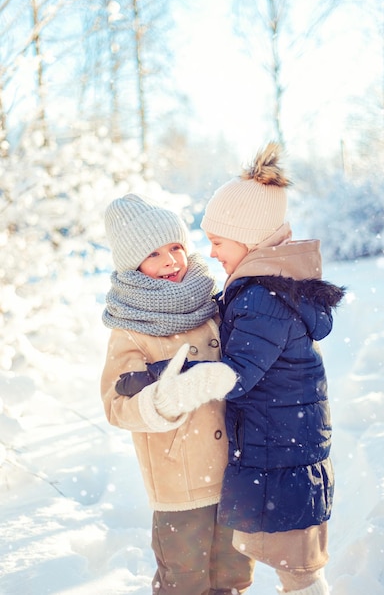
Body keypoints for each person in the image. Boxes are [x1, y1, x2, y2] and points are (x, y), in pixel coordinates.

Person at [198, 142, 346, 595]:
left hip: (281, 457)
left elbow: (236, 376)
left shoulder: (262, 298)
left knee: (299, 574)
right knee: (296, 566)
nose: (212, 252)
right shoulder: (267, 289)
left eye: (218, 241)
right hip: (285, 451)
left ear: (248, 239)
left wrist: (172, 373)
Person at [100, 194, 254, 595]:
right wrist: (159, 403)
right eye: (154, 253)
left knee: (234, 577)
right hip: (179, 485)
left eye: (175, 247)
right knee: (184, 582)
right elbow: (116, 406)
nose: (171, 260)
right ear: (133, 266)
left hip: (234, 474)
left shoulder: (213, 305)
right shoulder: (131, 327)